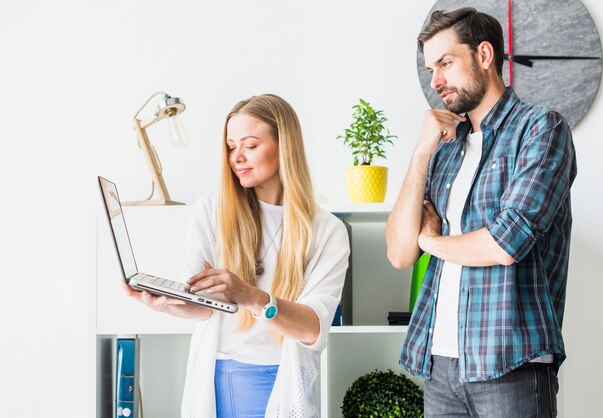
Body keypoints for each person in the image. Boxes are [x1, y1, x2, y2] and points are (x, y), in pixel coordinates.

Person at [386, 8, 576, 417]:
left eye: (446, 63)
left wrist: (430, 241)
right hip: (439, 366)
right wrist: (421, 154)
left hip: (511, 365)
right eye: (430, 68)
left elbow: (506, 243)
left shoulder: (541, 129)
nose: (436, 80)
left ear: (484, 55)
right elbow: (400, 254)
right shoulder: (445, 151)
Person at [123, 94, 350, 417]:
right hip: (216, 380)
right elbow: (203, 308)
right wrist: (167, 303)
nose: (237, 157)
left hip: (281, 383)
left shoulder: (327, 231)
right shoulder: (212, 211)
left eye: (251, 145)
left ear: (284, 146)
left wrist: (252, 297)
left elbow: (312, 328)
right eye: (231, 147)